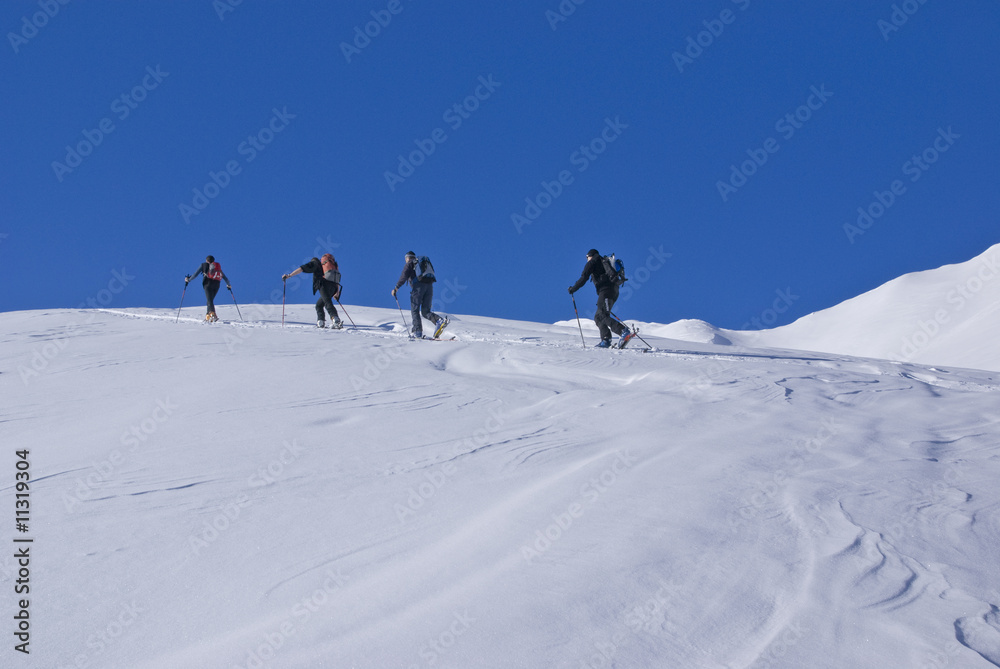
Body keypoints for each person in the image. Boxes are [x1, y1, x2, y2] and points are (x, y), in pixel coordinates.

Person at [568, 249, 633, 348]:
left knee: (602, 315)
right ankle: (606, 340)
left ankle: (623, 331)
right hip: (614, 291)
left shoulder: (593, 262)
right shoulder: (604, 261)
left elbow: (584, 277)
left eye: (587, 257)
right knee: (598, 317)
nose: (587, 259)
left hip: (606, 291)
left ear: (590, 255)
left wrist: (573, 288)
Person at [391, 251, 449, 339]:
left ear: (407, 258)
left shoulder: (410, 263)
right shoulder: (421, 264)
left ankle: (417, 332)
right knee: (426, 312)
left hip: (418, 287)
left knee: (415, 310)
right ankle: (439, 321)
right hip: (429, 286)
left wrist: (396, 288)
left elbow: (404, 276)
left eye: (405, 258)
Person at [282, 253, 343, 328]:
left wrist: (289, 275)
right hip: (333, 287)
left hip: (323, 284)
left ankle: (335, 319)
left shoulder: (315, 263)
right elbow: (337, 281)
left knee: (327, 302)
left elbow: (302, 268)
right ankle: (320, 322)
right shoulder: (333, 265)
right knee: (319, 305)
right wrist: (337, 293)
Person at [186, 255, 230, 322]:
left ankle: (213, 314)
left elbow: (195, 275)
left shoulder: (203, 265)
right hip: (217, 285)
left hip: (208, 284)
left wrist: (188, 279)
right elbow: (225, 278)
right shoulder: (217, 268)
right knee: (209, 300)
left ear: (206, 260)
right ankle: (208, 315)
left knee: (210, 300)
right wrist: (228, 285)